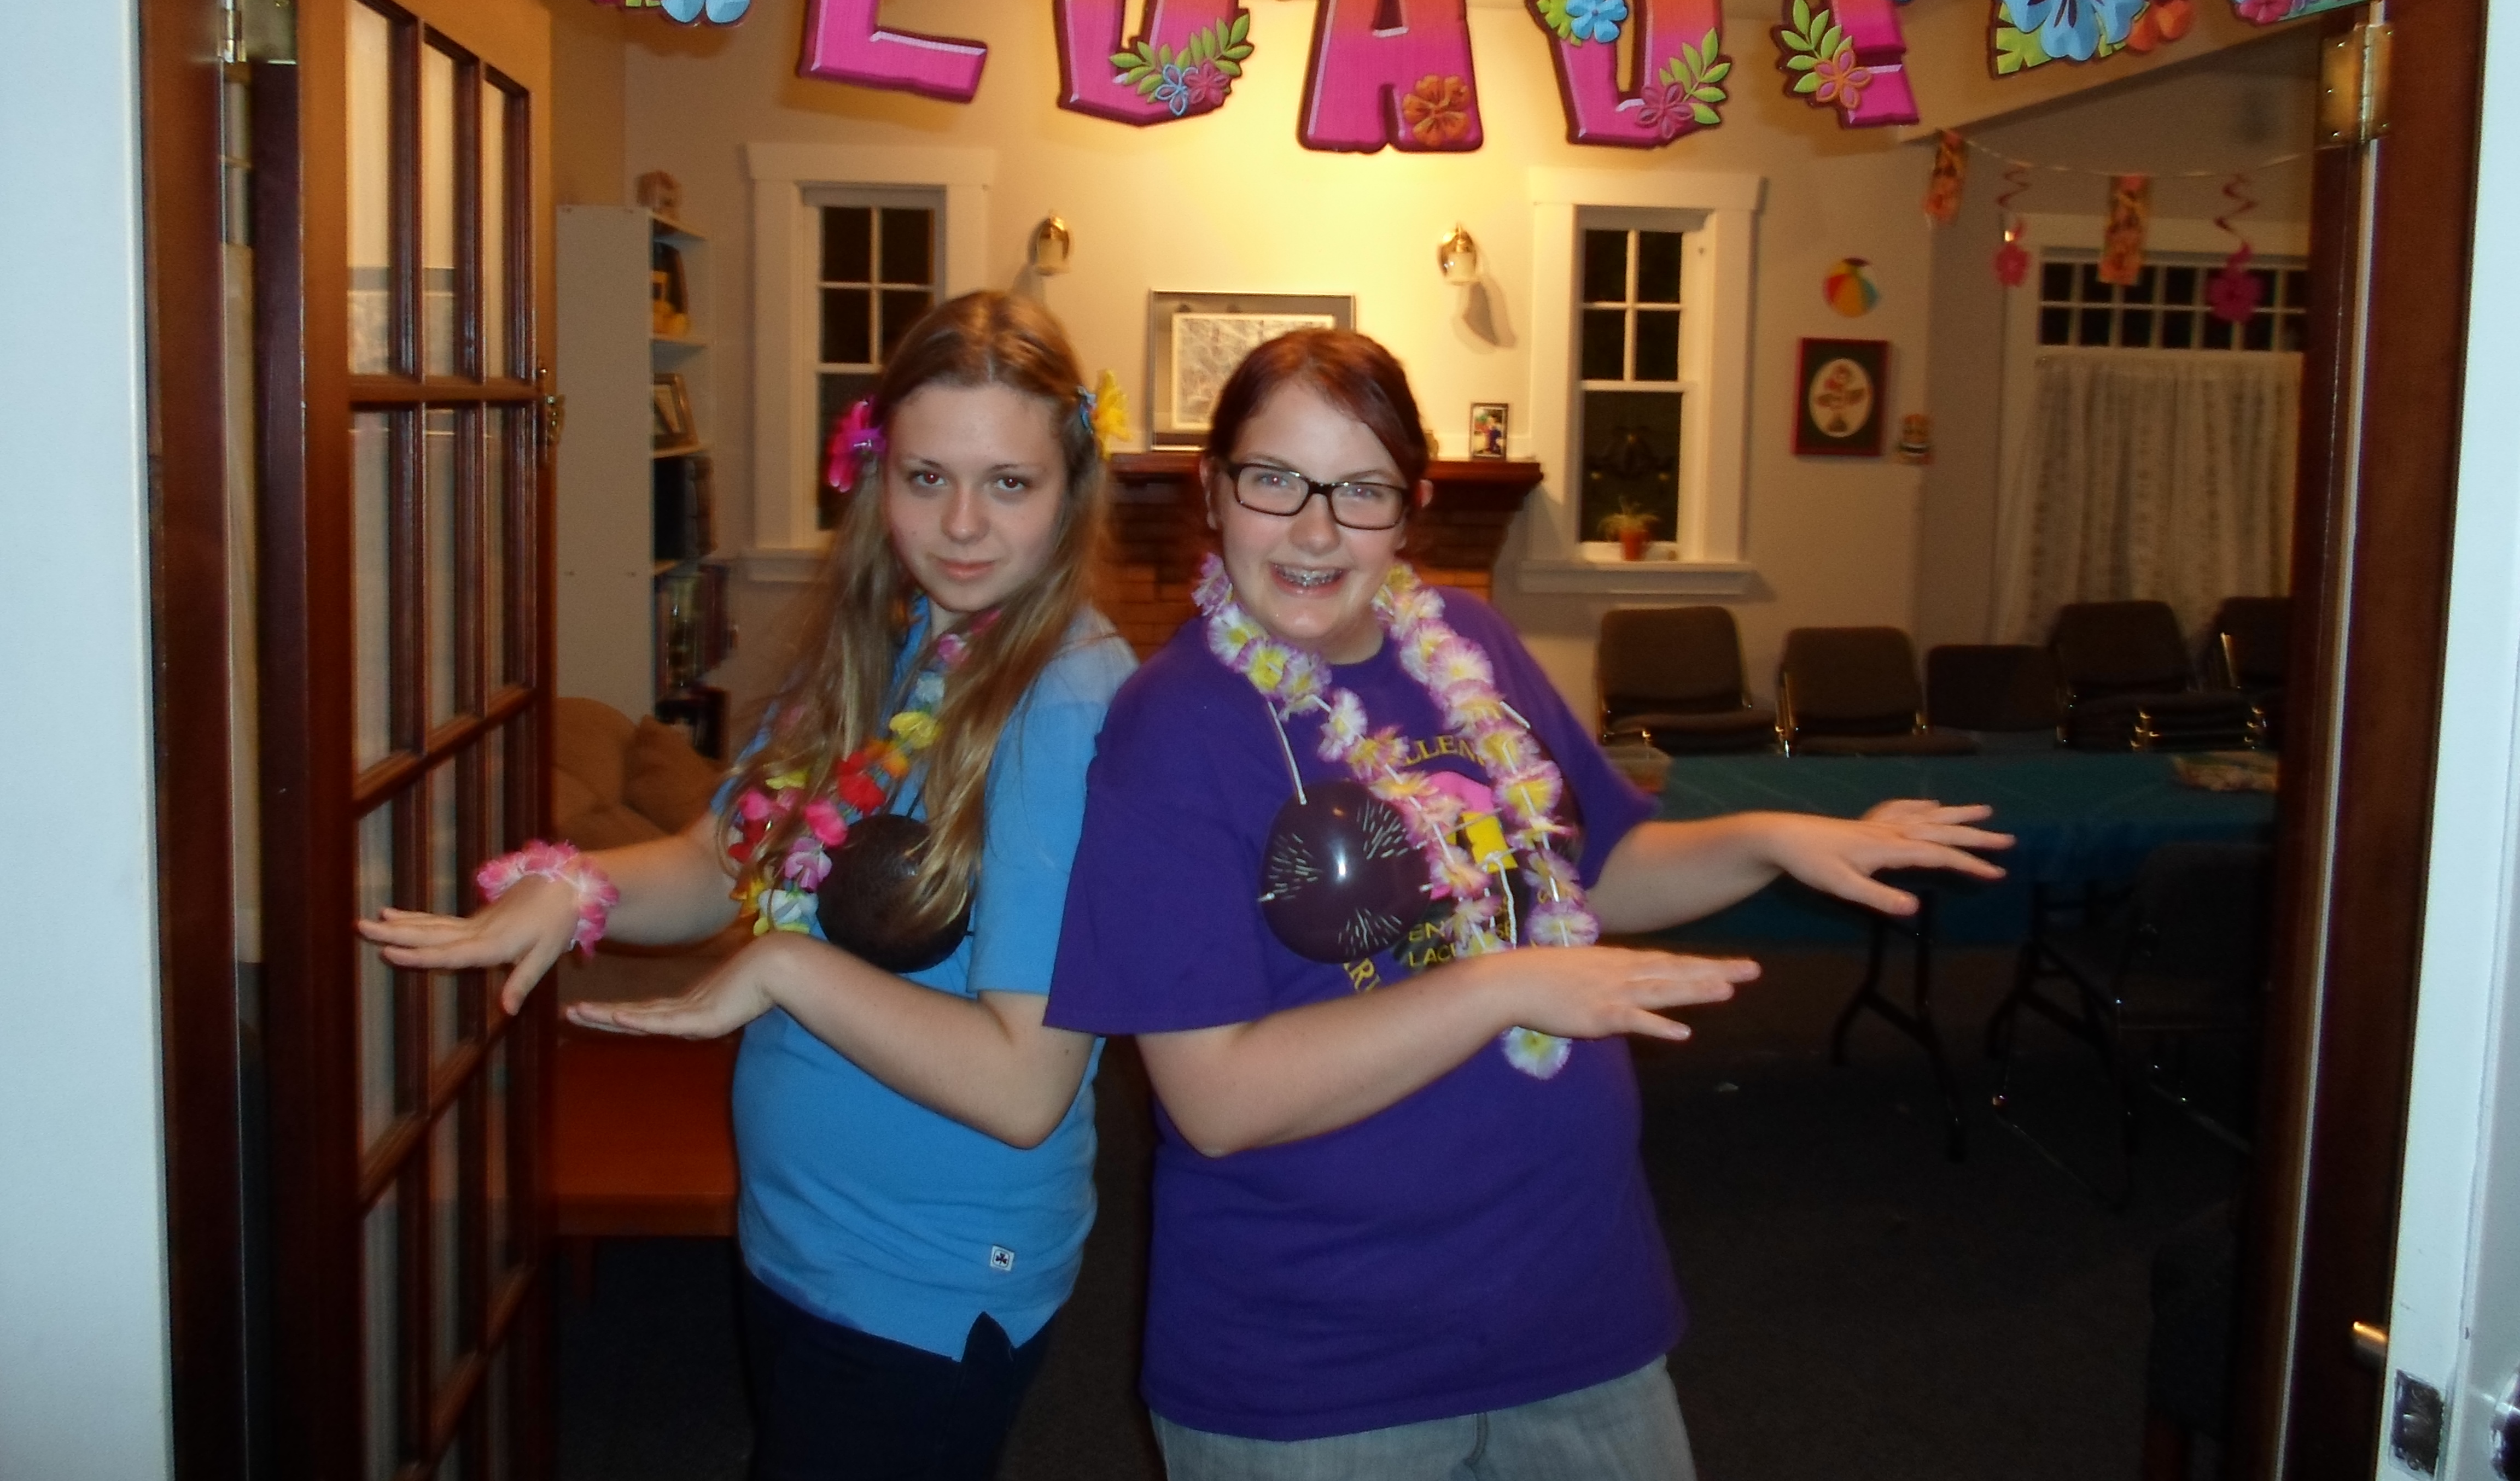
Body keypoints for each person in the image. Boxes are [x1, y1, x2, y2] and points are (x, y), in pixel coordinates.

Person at [1047, 329, 2010, 1479]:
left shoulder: (1470, 645)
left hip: (1577, 1306)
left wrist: (1772, 840)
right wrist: (1502, 987)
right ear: (1213, 491)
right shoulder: (1173, 731)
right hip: (1324, 1366)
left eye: (1362, 490)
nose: (1315, 530)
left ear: (1412, 512)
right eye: (1274, 480)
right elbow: (1218, 1100)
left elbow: (1593, 871)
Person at [359, 292, 1136, 1481]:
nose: (963, 526)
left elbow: (1024, 1085)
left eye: (1010, 484)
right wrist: (571, 887)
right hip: (804, 1237)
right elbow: (721, 858)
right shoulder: (891, 645)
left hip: (923, 1278)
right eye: (927, 478)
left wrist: (784, 966)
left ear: (1071, 490)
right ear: (874, 474)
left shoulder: (1060, 704)